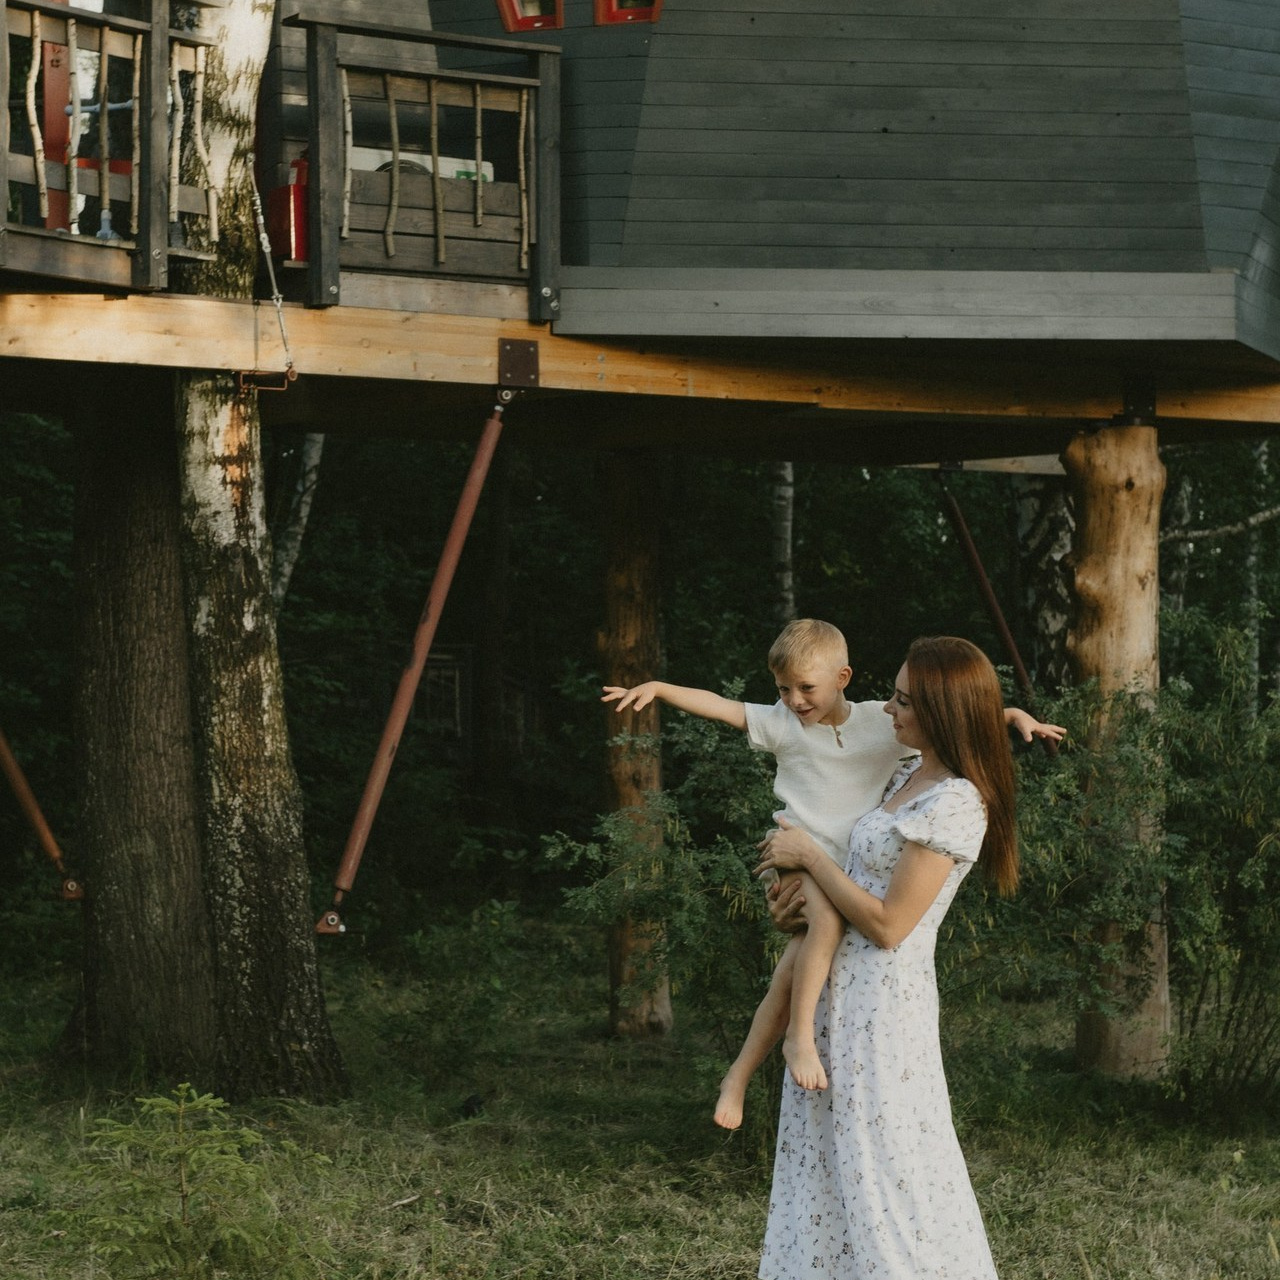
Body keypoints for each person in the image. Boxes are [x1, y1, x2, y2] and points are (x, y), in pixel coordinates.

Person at [602, 620, 1061, 1131]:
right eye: (783, 689)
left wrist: (1012, 714)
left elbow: (955, 716)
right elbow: (722, 706)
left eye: (806, 688)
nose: (794, 701)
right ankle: (797, 1038)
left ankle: (739, 1073)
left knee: (790, 969)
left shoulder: (878, 725)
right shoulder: (784, 726)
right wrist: (660, 688)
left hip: (838, 871)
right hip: (798, 854)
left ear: (843, 677)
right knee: (820, 929)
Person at [752, 635, 1017, 1279]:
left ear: (942, 714)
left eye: (902, 700)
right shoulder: (906, 771)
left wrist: (811, 859)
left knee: (890, 1173)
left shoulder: (955, 801)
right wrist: (792, 894)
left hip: (883, 1008)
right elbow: (853, 876)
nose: (887, 709)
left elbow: (890, 924)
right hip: (833, 997)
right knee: (826, 1169)